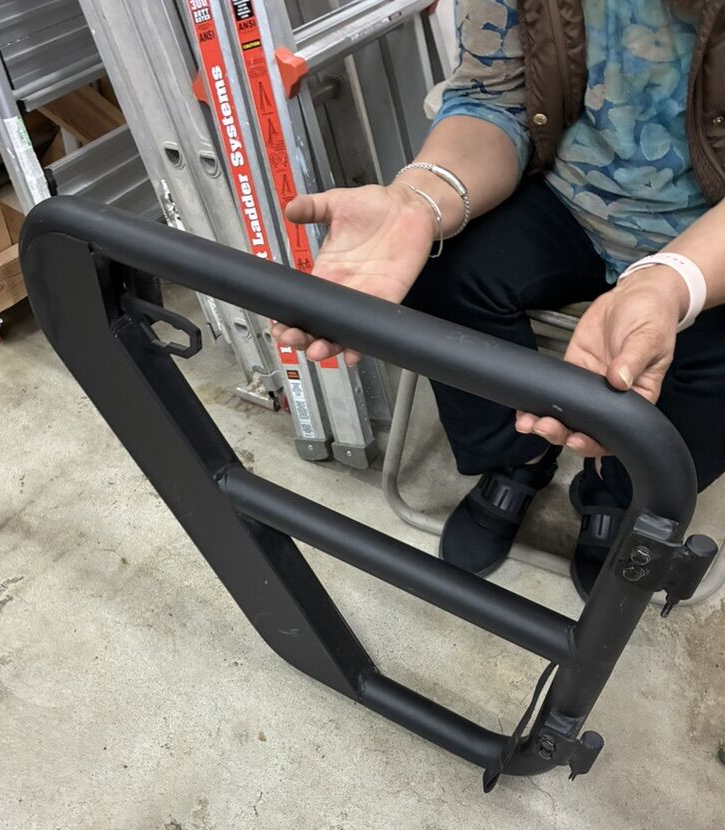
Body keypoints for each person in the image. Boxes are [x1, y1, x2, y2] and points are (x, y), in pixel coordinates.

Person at [271, 0, 725, 597]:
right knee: (444, 272)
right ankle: (518, 458)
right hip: (575, 194)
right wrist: (418, 201)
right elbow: (494, 96)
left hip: (709, 228)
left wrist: (669, 280)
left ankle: (618, 493)